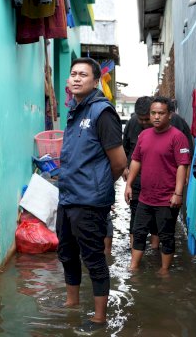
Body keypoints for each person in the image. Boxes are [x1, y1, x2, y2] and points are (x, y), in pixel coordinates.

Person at [56, 57, 127, 332]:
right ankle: (71, 304)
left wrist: (97, 186)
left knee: (94, 258)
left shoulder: (101, 112)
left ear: (96, 81)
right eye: (73, 74)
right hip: (68, 197)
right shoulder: (75, 110)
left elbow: (119, 162)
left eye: (83, 75)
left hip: (88, 200)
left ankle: (99, 319)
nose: (75, 78)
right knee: (67, 253)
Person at [124, 96, 191, 275]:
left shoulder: (178, 137)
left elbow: (182, 166)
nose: (156, 117)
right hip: (145, 197)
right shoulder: (144, 135)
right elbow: (136, 160)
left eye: (161, 113)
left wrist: (178, 193)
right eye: (153, 113)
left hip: (166, 198)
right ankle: (134, 267)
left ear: (169, 115)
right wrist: (129, 184)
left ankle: (164, 270)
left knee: (166, 235)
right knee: (138, 232)